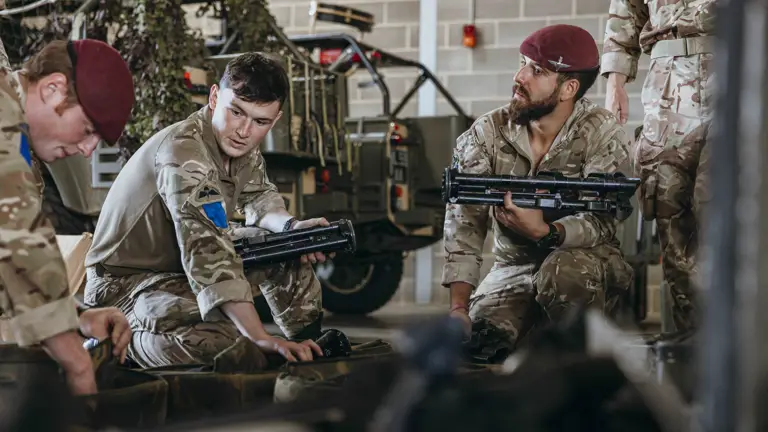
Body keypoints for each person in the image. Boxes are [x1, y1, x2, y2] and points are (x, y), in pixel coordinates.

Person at [83, 52, 331, 369]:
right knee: (220, 347)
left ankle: (311, 346)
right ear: (214, 97)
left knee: (285, 248)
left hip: (177, 272)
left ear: (276, 119)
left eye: (260, 122)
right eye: (236, 112)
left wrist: (292, 228)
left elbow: (260, 199)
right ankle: (120, 338)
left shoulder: (240, 147)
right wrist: (260, 338)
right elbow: (208, 250)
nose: (244, 130)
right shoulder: (184, 150)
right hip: (123, 286)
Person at [443, 24, 634, 347]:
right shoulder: (487, 133)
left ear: (568, 88)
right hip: (512, 266)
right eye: (522, 63)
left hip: (581, 259)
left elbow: (604, 221)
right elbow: (465, 224)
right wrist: (459, 308)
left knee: (564, 281)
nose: (520, 77)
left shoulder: (601, 133)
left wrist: (547, 233)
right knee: (484, 343)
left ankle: (585, 339)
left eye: (537, 70)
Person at [0, 37, 135, 395]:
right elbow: (17, 246)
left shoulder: (25, 154)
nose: (88, 151)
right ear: (52, 89)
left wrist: (77, 318)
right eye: (89, 130)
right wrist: (76, 364)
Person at [602, 0, 715, 333]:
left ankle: (735, 348)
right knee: (670, 210)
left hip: (734, 72)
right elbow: (626, 10)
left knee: (724, 211)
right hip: (666, 87)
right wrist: (615, 82)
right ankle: (690, 339)